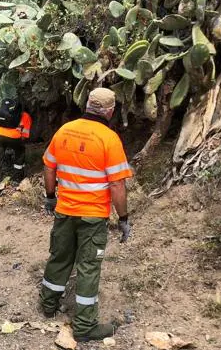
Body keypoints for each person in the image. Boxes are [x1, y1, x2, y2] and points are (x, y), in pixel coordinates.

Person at [39, 88, 133, 342]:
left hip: (65, 211)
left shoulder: (65, 130)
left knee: (59, 257)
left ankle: (48, 306)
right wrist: (123, 218)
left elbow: (49, 165)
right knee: (88, 268)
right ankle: (84, 326)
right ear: (110, 111)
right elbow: (117, 186)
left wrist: (50, 197)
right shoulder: (109, 139)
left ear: (88, 104)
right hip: (92, 217)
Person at [0, 98, 32, 201]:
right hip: (14, 137)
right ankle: (17, 178)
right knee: (20, 150)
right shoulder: (25, 116)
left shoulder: (0, 113)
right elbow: (24, 136)